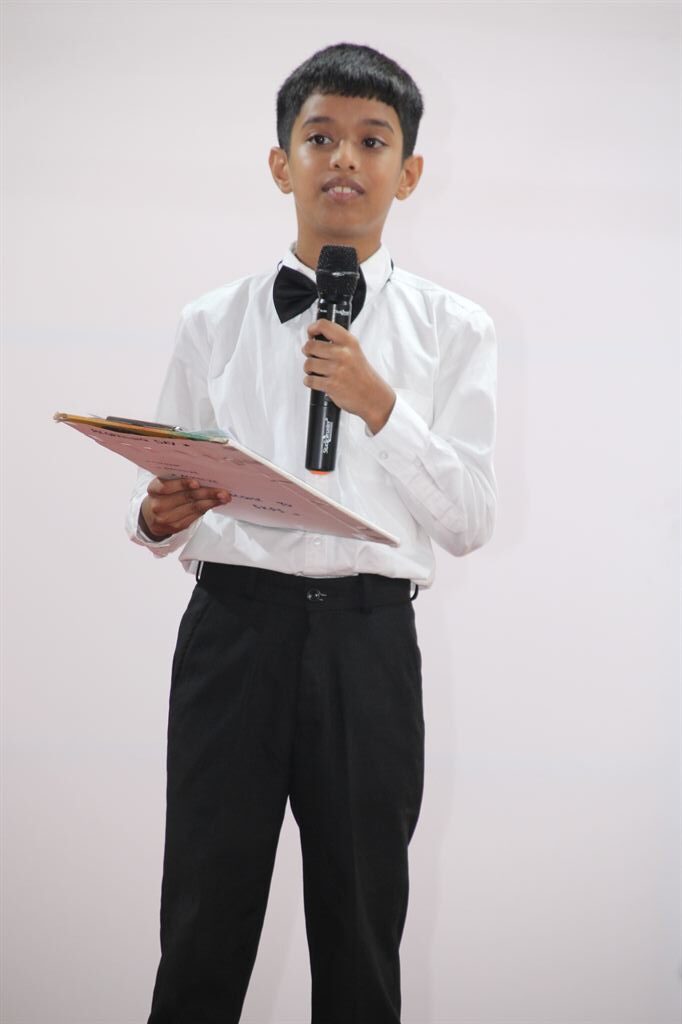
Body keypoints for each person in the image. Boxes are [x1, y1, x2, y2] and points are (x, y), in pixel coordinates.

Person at [126, 42, 497, 1024]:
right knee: (201, 923)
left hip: (368, 643)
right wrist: (154, 515)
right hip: (233, 633)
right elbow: (166, 479)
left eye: (372, 141)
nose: (343, 158)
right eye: (319, 136)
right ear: (279, 162)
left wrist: (381, 405)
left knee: (361, 929)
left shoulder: (456, 331)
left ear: (408, 172)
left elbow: (468, 518)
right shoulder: (210, 320)